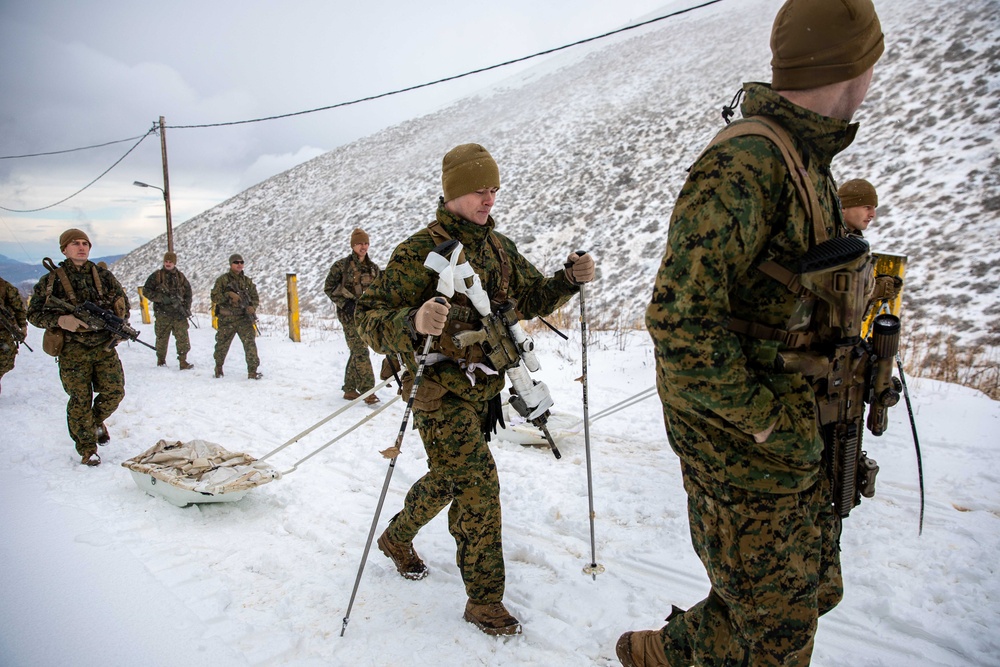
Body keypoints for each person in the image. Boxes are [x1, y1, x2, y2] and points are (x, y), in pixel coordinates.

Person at [623, 1, 885, 665]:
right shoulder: (745, 166)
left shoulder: (809, 160)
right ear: (851, 65)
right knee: (780, 635)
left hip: (794, 436)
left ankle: (666, 651)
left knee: (812, 591)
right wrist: (766, 421)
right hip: (744, 451)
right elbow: (678, 323)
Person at [356, 143, 595, 636]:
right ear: (453, 194)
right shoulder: (416, 253)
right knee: (478, 484)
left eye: (493, 190)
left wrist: (568, 279)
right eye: (478, 191)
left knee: (451, 477)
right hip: (438, 393)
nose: (489, 199)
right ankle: (484, 601)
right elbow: (368, 321)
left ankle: (396, 539)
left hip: (484, 390)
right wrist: (413, 319)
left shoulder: (499, 247)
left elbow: (528, 297)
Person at [26, 229, 130, 466]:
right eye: (75, 244)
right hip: (72, 351)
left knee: (115, 392)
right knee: (80, 399)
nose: (81, 247)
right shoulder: (52, 281)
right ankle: (87, 448)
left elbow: (122, 304)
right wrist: (62, 321)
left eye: (85, 243)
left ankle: (93, 422)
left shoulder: (104, 277)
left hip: (104, 347)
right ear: (64, 249)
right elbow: (33, 313)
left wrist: (120, 328)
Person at [324, 228, 381, 403]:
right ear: (353, 245)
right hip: (349, 317)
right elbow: (329, 288)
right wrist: (345, 304)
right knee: (361, 352)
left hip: (367, 316)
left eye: (366, 243)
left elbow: (380, 290)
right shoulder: (341, 266)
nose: (363, 247)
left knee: (357, 351)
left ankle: (349, 389)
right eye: (360, 243)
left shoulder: (373, 268)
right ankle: (368, 391)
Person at [211, 254, 261, 380]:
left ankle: (252, 371)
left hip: (244, 318)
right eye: (236, 262)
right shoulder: (222, 280)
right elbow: (215, 297)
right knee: (222, 345)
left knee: (250, 344)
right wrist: (228, 296)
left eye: (241, 262)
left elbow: (255, 298)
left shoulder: (247, 281)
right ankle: (218, 368)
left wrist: (252, 307)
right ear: (231, 264)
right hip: (227, 319)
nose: (239, 264)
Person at [143, 251, 194, 369]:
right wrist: (161, 298)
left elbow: (188, 293)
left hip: (178, 315)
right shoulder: (157, 276)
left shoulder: (180, 277)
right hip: (163, 314)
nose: (168, 263)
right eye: (166, 261)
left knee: (183, 339)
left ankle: (183, 361)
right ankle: (161, 361)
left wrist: (186, 307)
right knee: (161, 338)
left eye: (170, 261)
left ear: (174, 263)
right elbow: (146, 291)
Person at [0, 274, 28, 395]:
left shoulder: (3, 286)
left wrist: (22, 327)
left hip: (2, 333)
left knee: (5, 362)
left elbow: (18, 308)